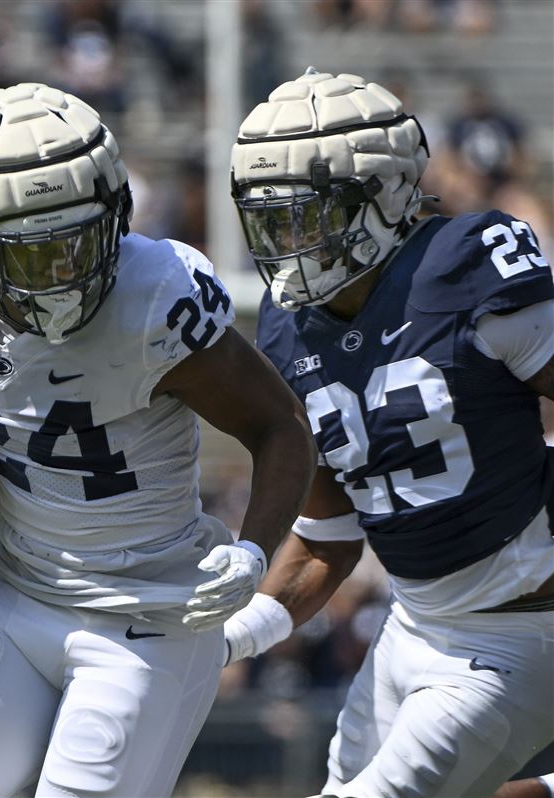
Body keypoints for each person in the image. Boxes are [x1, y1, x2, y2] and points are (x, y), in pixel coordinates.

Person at [0, 82, 317, 797]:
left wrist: (254, 548)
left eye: (78, 244)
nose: (64, 277)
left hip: (152, 613)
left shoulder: (155, 298)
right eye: (31, 257)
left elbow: (280, 424)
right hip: (20, 594)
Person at [223, 70, 554, 797]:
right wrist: (232, 636)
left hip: (515, 631)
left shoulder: (464, 268)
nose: (287, 241)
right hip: (411, 624)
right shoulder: (284, 328)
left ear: (385, 194)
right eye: (272, 218)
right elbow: (328, 536)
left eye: (308, 215)